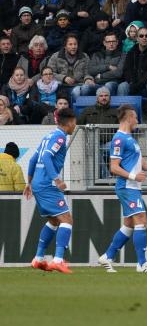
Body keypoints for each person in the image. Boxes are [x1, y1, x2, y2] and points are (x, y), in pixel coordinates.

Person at [98, 105, 147, 273]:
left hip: (132, 186)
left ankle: (108, 256)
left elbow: (136, 163)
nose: (137, 120)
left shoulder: (130, 139)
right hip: (127, 186)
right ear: (127, 118)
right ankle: (142, 264)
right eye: (135, 117)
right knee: (141, 220)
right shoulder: (119, 139)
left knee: (129, 224)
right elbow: (113, 167)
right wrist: (134, 177)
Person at [27, 108, 77, 274]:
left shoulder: (48, 135)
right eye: (74, 122)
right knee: (67, 220)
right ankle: (58, 260)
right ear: (69, 122)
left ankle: (39, 258)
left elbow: (34, 159)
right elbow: (47, 157)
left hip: (38, 183)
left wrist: (29, 182)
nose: (75, 126)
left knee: (55, 221)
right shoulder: (60, 137)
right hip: (48, 184)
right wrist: (57, 179)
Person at [118, 27, 147, 123]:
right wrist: (131, 82)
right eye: (141, 36)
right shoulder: (131, 52)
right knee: (122, 86)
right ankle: (124, 114)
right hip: (134, 83)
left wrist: (139, 84)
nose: (144, 38)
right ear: (137, 38)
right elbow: (126, 70)